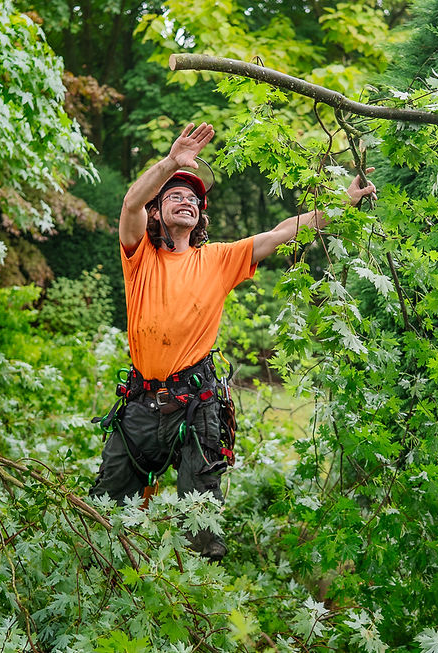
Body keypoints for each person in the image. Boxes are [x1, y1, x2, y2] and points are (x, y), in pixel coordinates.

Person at [90, 122, 376, 561]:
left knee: (201, 523)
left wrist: (343, 204)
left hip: (195, 400)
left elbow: (281, 232)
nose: (185, 200)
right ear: (158, 212)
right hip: (142, 404)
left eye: (192, 199)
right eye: (174, 195)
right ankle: (105, 577)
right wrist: (171, 163)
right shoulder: (140, 257)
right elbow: (130, 203)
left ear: (200, 216)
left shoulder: (219, 259)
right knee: (106, 509)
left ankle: (196, 599)